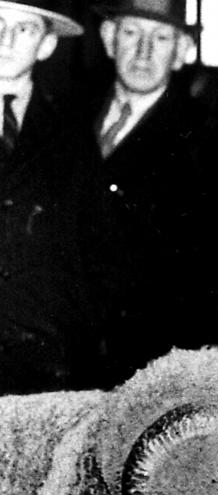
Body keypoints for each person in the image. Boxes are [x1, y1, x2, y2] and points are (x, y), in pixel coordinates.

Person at [91, 0, 218, 377]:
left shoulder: (210, 141)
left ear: (181, 51)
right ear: (109, 38)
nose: (144, 51)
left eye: (161, 37)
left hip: (154, 360)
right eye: (132, 32)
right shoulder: (66, 122)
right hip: (69, 354)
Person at [0, 0, 127, 394]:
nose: (7, 39)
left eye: (26, 29)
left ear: (46, 46)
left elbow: (98, 259)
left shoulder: (71, 139)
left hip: (42, 374)